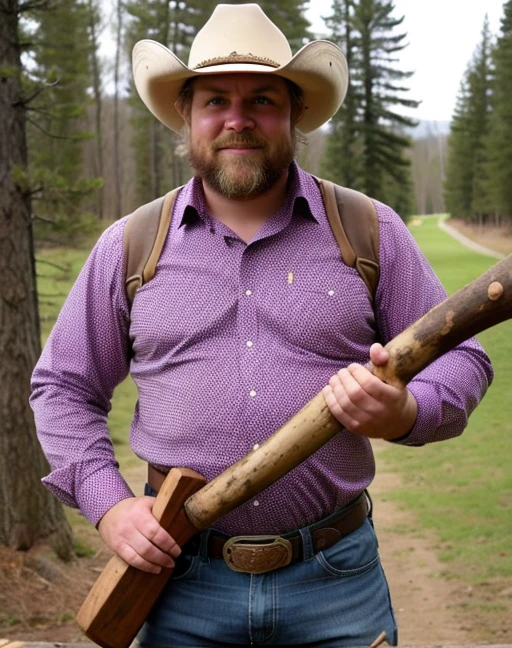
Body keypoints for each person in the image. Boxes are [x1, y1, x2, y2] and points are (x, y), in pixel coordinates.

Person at [30, 4, 493, 647]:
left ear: (296, 115)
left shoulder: (368, 230)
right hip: (179, 585)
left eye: (263, 100)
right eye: (216, 99)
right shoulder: (131, 245)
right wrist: (109, 506)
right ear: (187, 116)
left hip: (336, 580)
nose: (238, 120)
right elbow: (62, 387)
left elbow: (463, 358)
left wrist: (406, 412)